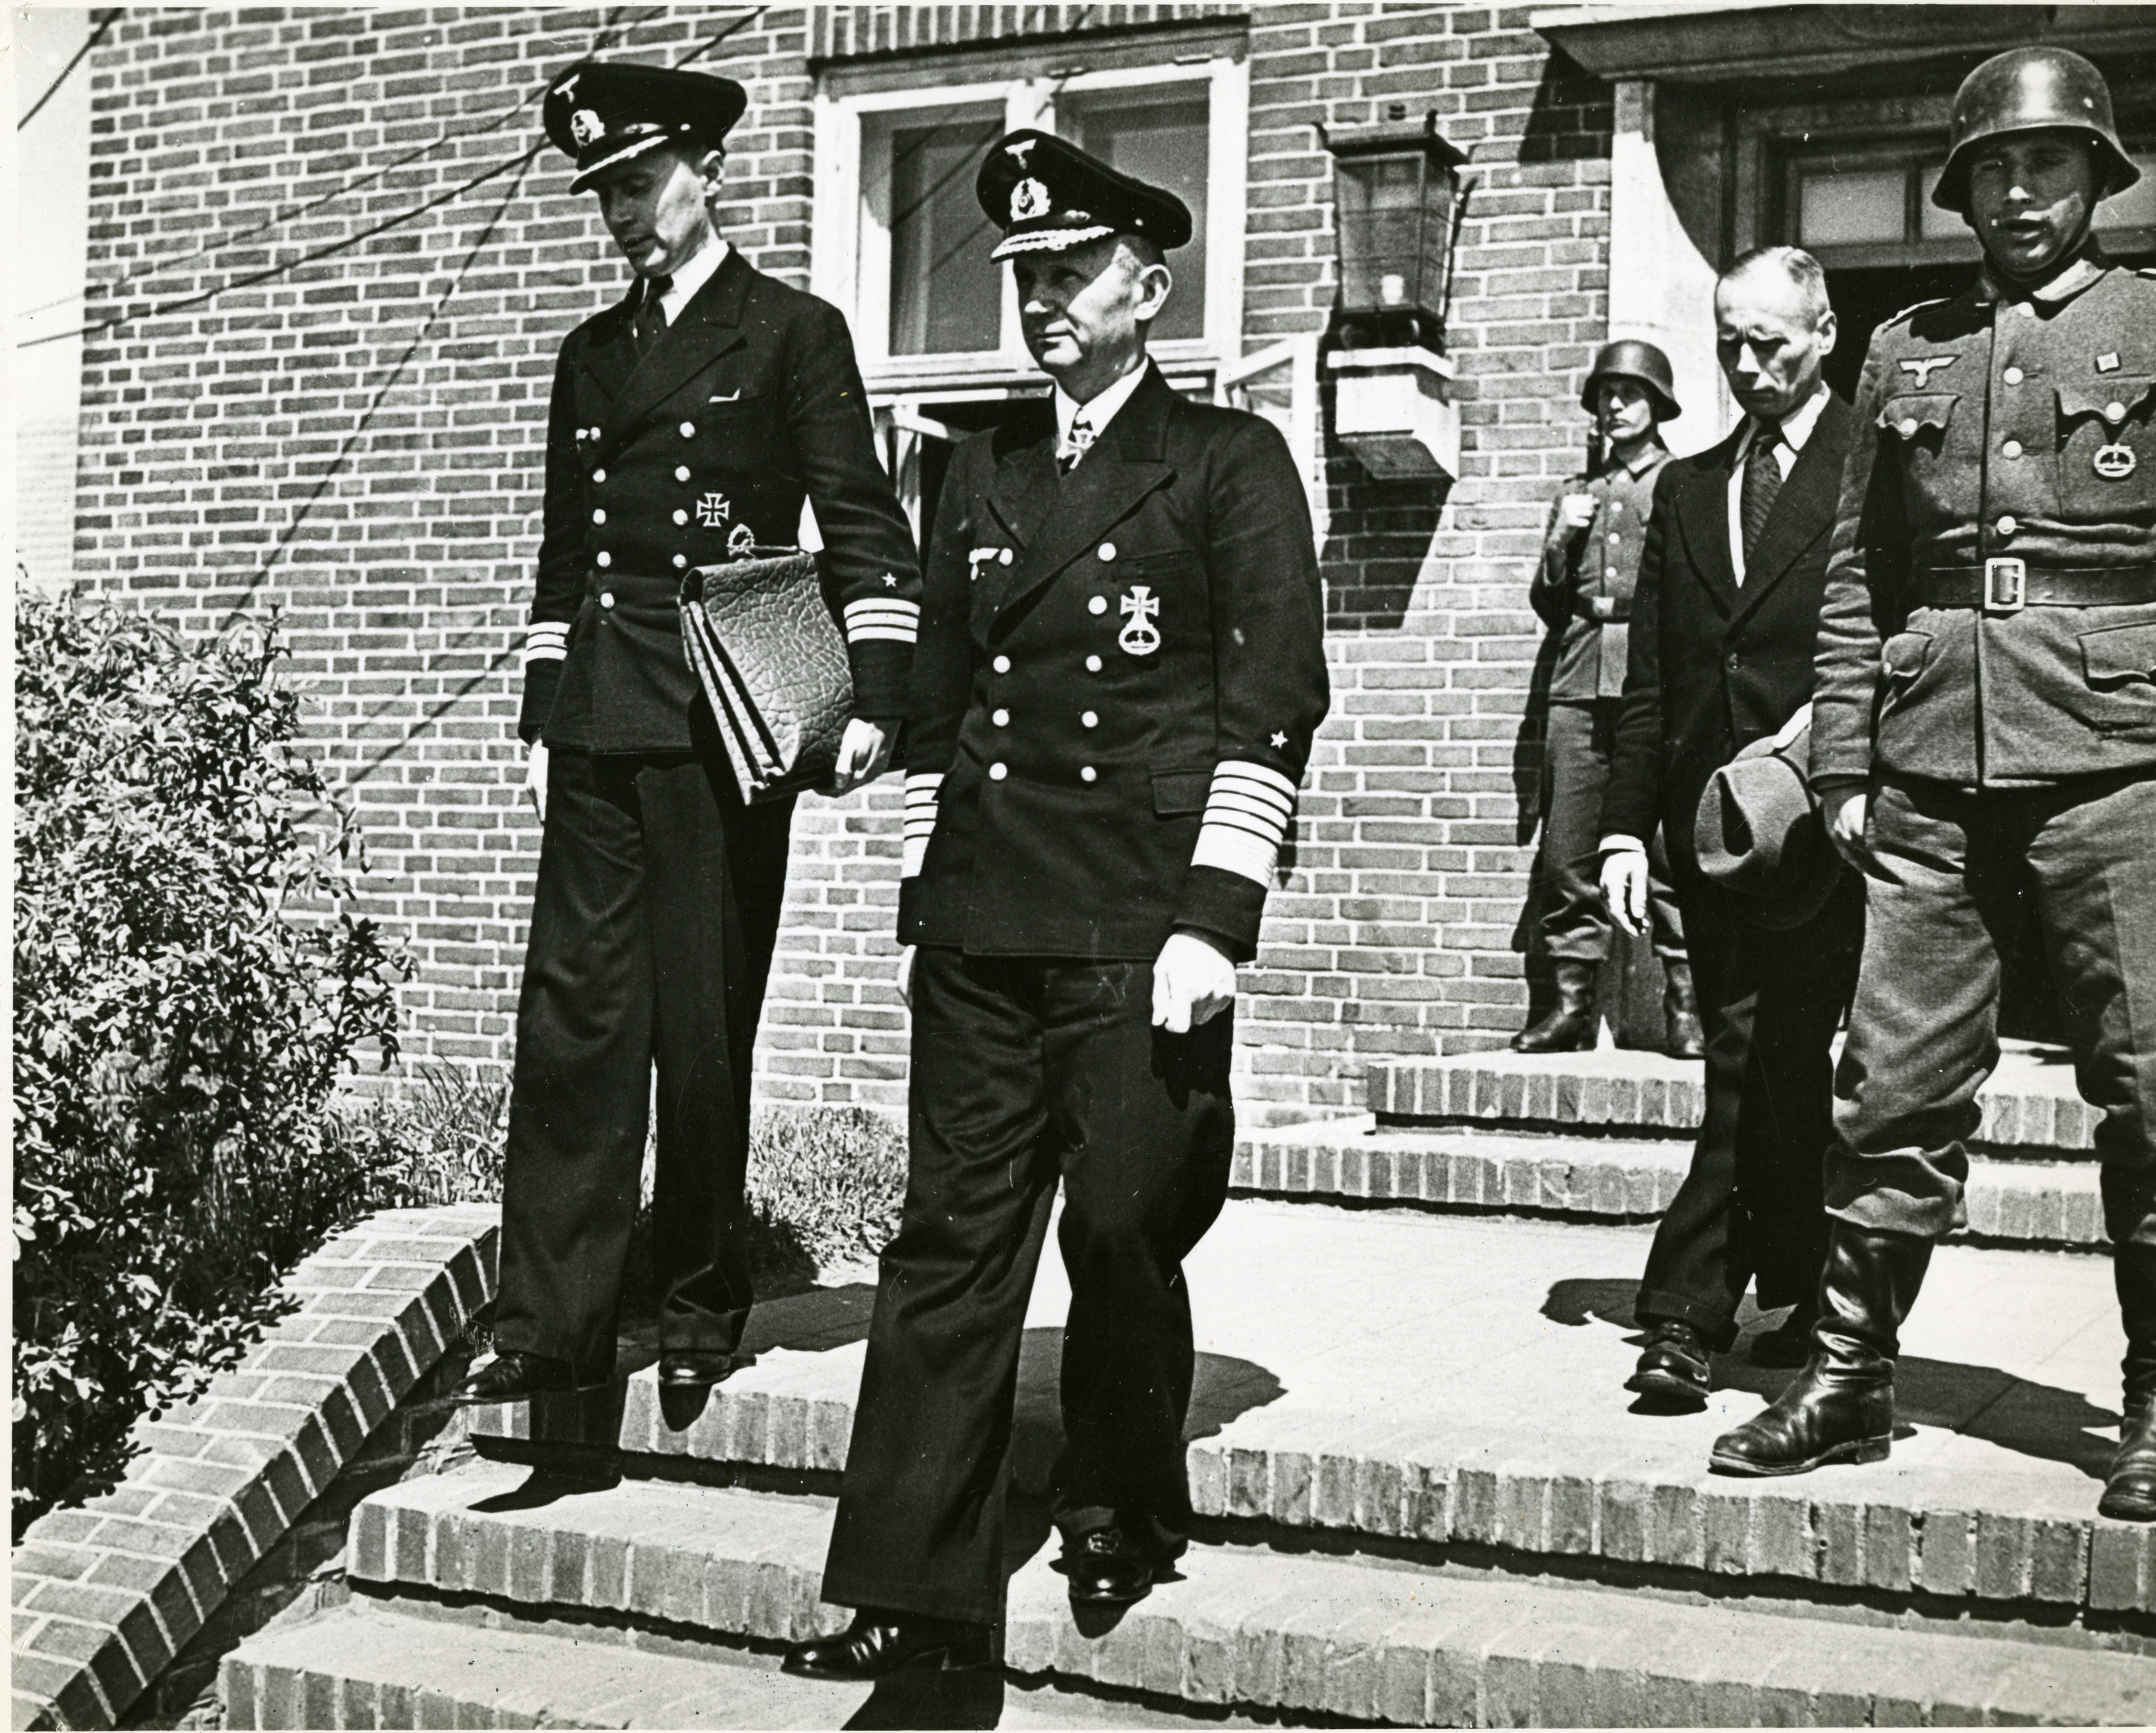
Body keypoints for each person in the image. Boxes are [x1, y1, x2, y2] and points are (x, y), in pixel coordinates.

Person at [781, 130, 1329, 1681]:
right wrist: (860, 747)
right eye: (1026, 275)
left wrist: (1218, 916)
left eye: (1075, 271)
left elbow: (1272, 699)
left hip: (1141, 928)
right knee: (949, 1242)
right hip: (982, 923)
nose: (1045, 300)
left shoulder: (1229, 465)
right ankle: (908, 1579)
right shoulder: (982, 468)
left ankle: (1119, 1498)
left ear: (1151, 286)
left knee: (1118, 1225)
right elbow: (943, 705)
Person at [1711, 48, 2156, 1523]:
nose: (2019, 192)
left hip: (2119, 760)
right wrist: (1842, 757)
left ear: (2096, 176)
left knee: (2146, 1085)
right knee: (1889, 1085)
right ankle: (1846, 1378)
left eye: (2048, 165)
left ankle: (2154, 1404)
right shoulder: (1905, 349)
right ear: (1957, 191)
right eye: (1992, 170)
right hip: (1927, 764)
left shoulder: (2149, 324)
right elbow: (1856, 573)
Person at [454, 61, 920, 1406]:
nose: (623, 210)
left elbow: (865, 526)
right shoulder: (590, 354)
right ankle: (551, 1323)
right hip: (602, 717)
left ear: (705, 170)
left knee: (701, 1029)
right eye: (602, 189)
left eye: (642, 181)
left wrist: (872, 698)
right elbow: (565, 558)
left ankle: (704, 1297)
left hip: (726, 723)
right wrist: (543, 714)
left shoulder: (791, 333)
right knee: (574, 1027)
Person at [1598, 248, 1866, 1405]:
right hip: (1707, 828)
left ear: (1825, 331)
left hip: (1825, 819)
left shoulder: (1877, 467)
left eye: (1773, 340)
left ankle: (1683, 1311)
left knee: (1763, 1054)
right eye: (1731, 343)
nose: (1748, 363)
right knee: (1760, 1056)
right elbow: (1649, 680)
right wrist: (1619, 831)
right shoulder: (1690, 485)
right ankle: (1801, 1278)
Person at [1518, 340, 1700, 1057]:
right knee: (1568, 848)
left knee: (1663, 846)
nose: (1614, 407)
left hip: (1652, 677)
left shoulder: (1681, 482)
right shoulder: (1578, 491)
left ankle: (1686, 1007)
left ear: (1657, 405)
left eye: (1630, 394)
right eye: (1605, 395)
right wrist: (1563, 541)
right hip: (1578, 670)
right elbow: (1546, 600)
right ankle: (1569, 1008)